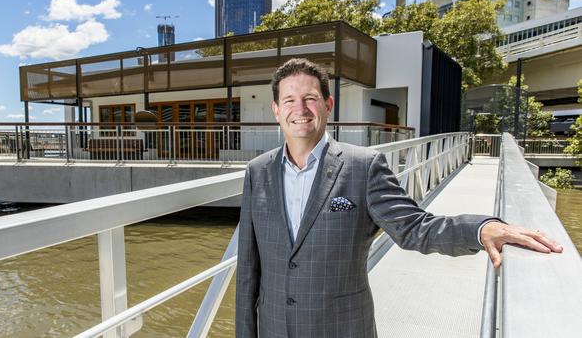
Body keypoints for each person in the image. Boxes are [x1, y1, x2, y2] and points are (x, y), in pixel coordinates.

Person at [235, 58, 562, 338]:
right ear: (277, 110)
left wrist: (482, 229)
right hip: (274, 329)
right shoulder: (257, 172)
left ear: (327, 105)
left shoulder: (362, 167)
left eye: (310, 98)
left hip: (341, 327)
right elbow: (249, 272)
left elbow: (415, 228)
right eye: (289, 100)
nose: (300, 109)